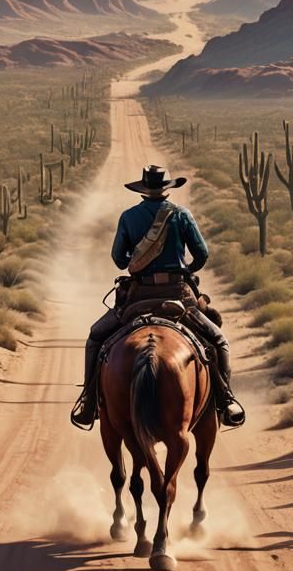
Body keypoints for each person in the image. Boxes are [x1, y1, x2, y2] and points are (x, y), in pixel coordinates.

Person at [71, 165, 245, 430]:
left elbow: (119, 259)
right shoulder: (182, 215)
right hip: (179, 294)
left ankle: (88, 402)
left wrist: (139, 262)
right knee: (218, 340)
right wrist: (186, 270)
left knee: (96, 337)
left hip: (138, 294)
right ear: (167, 189)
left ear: (143, 190)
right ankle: (225, 400)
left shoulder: (129, 217)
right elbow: (202, 254)